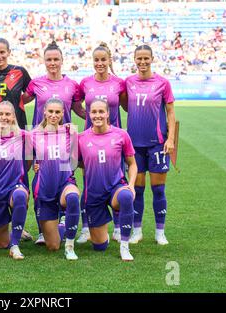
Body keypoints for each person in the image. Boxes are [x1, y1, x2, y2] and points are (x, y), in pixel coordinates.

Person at [22, 40, 85, 245]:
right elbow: (21, 101)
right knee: (40, 181)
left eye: (56, 59)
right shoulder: (36, 84)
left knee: (65, 182)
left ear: (62, 60)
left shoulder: (72, 85)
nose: (52, 63)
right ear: (44, 61)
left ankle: (64, 219)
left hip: (65, 144)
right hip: (41, 142)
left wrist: (95, 119)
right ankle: (43, 230)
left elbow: (77, 108)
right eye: (49, 59)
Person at [0, 38, 33, 241]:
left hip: (16, 134)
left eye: (3, 52)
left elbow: (30, 93)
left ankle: (19, 225)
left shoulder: (20, 72)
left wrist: (17, 103)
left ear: (9, 52)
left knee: (20, 179)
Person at [122, 44, 176, 245]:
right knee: (137, 189)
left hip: (158, 144)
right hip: (134, 145)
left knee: (159, 189)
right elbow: (125, 105)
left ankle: (160, 232)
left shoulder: (163, 83)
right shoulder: (128, 82)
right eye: (139, 58)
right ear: (134, 60)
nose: (143, 62)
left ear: (152, 59)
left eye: (146, 58)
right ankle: (137, 230)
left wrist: (170, 139)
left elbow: (170, 112)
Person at [78, 42, 126, 244]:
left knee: (116, 180)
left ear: (109, 60)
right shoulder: (85, 83)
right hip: (91, 140)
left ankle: (117, 228)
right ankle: (86, 228)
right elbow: (76, 105)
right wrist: (90, 120)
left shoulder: (119, 83)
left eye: (103, 59)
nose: (100, 63)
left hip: (113, 141)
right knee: (88, 182)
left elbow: (127, 106)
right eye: (96, 60)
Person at [78, 99, 138, 261]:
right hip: (93, 194)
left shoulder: (121, 135)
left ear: (107, 114)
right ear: (89, 114)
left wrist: (131, 185)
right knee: (100, 246)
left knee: (126, 196)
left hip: (115, 188)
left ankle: (124, 245)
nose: (97, 115)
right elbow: (73, 163)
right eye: (94, 112)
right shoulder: (81, 138)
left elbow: (132, 164)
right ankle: (101, 233)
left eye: (101, 112)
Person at [0, 101, 31, 260]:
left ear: (14, 116)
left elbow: (47, 134)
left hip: (15, 185)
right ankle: (14, 229)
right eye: (1, 114)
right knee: (1, 243)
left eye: (8, 114)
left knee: (20, 196)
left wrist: (68, 129)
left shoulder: (23, 135)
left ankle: (15, 245)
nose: (4, 117)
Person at [31, 98, 80, 260]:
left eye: (57, 112)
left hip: (65, 183)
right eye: (50, 111)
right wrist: (34, 164)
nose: (53, 115)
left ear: (63, 113)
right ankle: (61, 225)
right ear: (44, 111)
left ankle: (70, 245)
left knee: (73, 197)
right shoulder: (33, 134)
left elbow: (75, 161)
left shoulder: (68, 132)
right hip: (45, 187)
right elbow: (24, 154)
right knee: (52, 246)